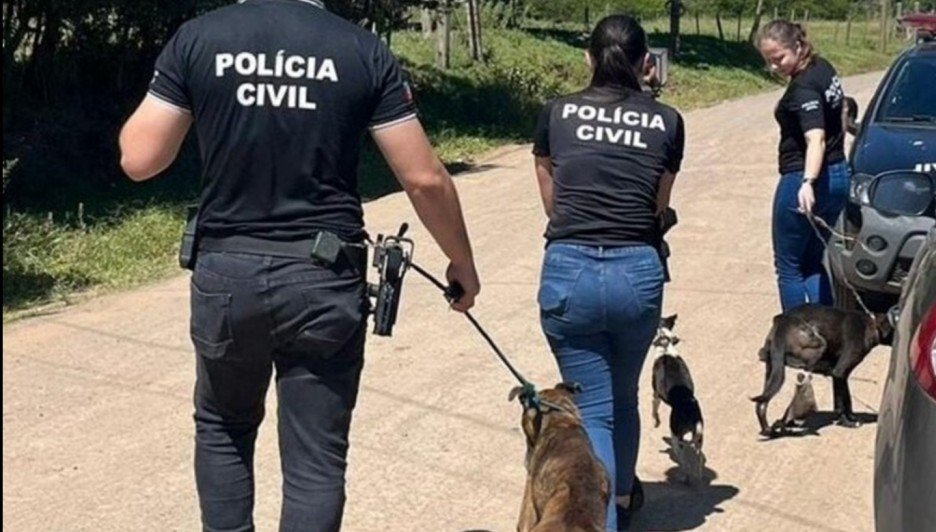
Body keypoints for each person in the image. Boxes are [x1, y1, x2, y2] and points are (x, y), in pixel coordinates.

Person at [117, 1, 480, 530]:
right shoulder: (360, 49)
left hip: (228, 271)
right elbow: (423, 178)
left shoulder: (198, 39)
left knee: (223, 427)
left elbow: (139, 159)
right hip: (323, 277)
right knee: (315, 458)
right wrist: (460, 260)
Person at [532, 15, 685, 531]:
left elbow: (551, 196)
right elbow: (658, 206)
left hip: (569, 271)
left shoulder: (556, 113)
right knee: (623, 397)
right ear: (646, 63)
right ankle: (618, 503)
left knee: (593, 408)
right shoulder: (667, 121)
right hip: (636, 272)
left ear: (588, 58)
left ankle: (602, 520)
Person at [755, 20, 850, 311]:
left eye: (778, 58)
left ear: (797, 47)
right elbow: (843, 110)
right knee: (812, 260)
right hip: (838, 173)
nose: (774, 67)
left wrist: (808, 183)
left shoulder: (804, 88)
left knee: (789, 266)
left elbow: (815, 138)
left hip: (805, 176)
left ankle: (797, 332)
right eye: (768, 61)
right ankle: (827, 329)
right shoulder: (823, 67)